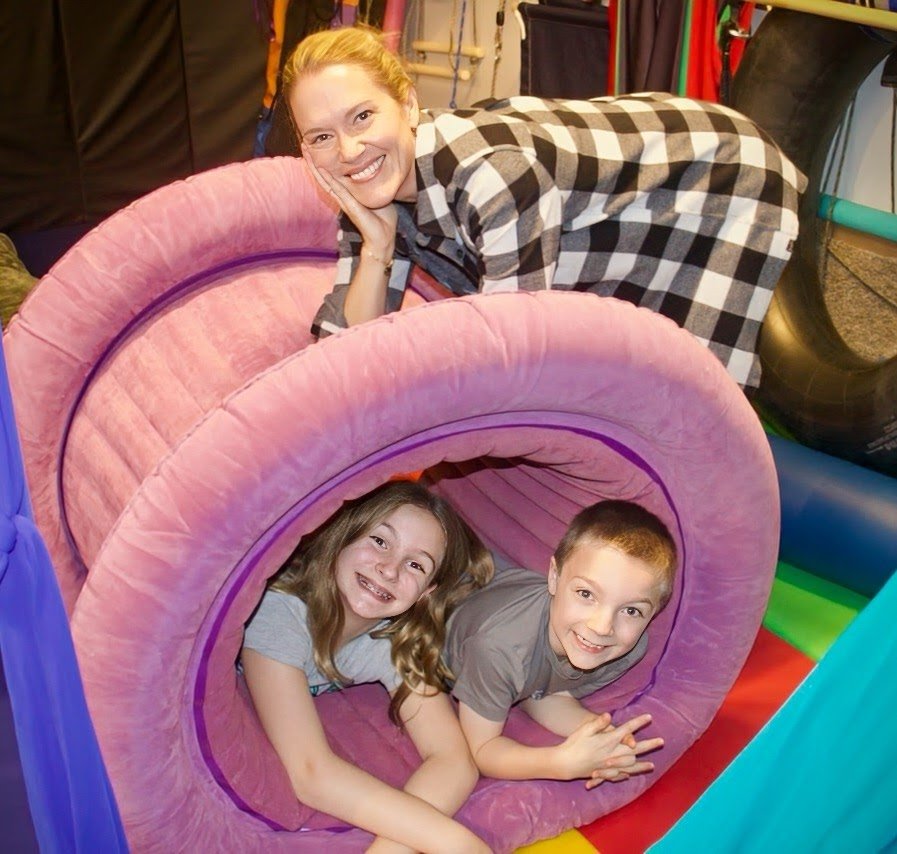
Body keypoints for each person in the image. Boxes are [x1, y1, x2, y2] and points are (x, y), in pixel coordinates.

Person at [283, 25, 805, 391]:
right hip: (617, 210)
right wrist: (377, 248)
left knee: (695, 389)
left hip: (717, 178)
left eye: (363, 117)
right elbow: (345, 354)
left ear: (410, 106)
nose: (349, 151)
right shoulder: (369, 185)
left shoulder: (490, 175)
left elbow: (508, 354)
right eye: (322, 136)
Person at [241, 480, 494, 853]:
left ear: (425, 593)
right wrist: (457, 842)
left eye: (415, 564)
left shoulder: (390, 639)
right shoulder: (277, 611)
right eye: (379, 541)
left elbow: (453, 759)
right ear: (342, 534)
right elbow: (310, 772)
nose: (389, 570)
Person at [443, 499, 677, 787]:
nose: (602, 627)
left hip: (494, 584)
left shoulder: (627, 648)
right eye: (586, 594)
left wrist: (604, 740)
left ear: (653, 614)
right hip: (434, 603)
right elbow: (481, 750)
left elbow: (543, 693)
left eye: (631, 611)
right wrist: (559, 764)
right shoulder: (498, 650)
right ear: (553, 577)